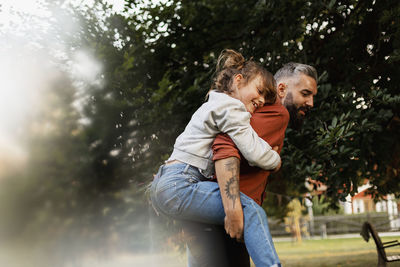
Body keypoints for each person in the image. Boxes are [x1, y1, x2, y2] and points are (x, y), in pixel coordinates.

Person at [150, 49, 284, 267]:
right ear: (239, 81)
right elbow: (251, 148)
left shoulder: (214, 102)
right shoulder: (232, 107)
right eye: (259, 91)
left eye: (265, 99)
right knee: (251, 211)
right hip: (181, 183)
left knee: (205, 237)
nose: (260, 100)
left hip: (168, 182)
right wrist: (275, 159)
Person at [185, 62, 318, 267]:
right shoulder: (278, 112)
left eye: (312, 96)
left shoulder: (254, 110)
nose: (310, 103)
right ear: (281, 88)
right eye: (305, 93)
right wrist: (233, 210)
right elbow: (224, 144)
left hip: (212, 218)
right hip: (226, 220)